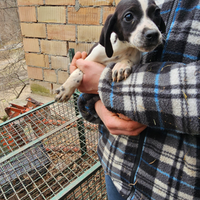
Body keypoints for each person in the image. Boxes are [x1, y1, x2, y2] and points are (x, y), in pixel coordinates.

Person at [70, 0, 200, 199]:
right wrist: (97, 104)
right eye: (130, 17)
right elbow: (91, 78)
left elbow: (101, 81)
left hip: (171, 186)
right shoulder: (120, 27)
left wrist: (107, 86)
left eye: (155, 15)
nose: (151, 28)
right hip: (114, 162)